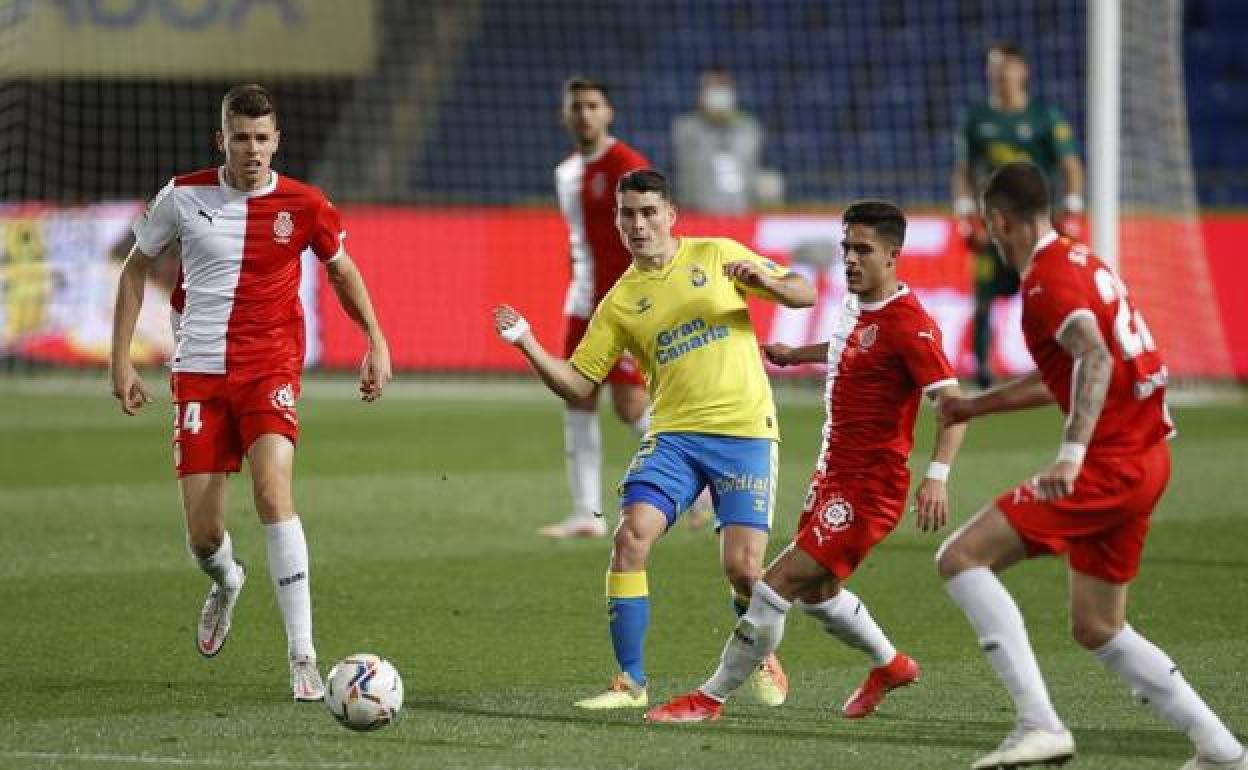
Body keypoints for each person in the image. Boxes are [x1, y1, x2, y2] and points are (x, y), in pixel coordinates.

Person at [935, 162, 1246, 770]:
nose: (988, 237)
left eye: (988, 226)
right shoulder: (1081, 259)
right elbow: (1066, 375)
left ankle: (1038, 723)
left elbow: (1094, 358)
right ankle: (1221, 750)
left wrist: (1071, 455)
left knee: (960, 558)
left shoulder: (1047, 282)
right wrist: (975, 405)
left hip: (1109, 465)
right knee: (1098, 626)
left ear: (1000, 221)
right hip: (1150, 455)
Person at [109, 84, 392, 701]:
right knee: (204, 538)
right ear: (223, 141)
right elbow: (136, 266)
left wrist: (374, 338)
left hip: (271, 369)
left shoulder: (306, 204)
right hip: (200, 376)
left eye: (263, 138)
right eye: (241, 137)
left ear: (276, 142)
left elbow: (341, 269)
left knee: (272, 492)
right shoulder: (182, 197)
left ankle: (303, 656)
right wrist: (122, 359)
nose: (253, 150)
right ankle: (227, 579)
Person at [493, 168, 815, 710]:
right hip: (673, 437)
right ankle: (631, 681)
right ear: (618, 222)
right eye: (627, 214)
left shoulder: (717, 254)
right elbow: (577, 384)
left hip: (743, 432)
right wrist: (527, 342)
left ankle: (762, 654)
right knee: (630, 537)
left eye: (647, 212)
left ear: (670, 215)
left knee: (742, 568)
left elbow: (803, 293)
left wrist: (769, 284)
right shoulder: (620, 302)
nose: (638, 224)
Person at [645, 200, 967, 724]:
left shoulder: (913, 325)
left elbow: (953, 405)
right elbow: (852, 346)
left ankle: (709, 698)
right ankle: (890, 665)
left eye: (863, 249)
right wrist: (799, 355)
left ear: (893, 256)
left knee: (773, 586)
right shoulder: (857, 304)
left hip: (869, 489)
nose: (850, 259)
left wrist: (937, 479)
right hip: (832, 475)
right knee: (819, 593)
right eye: (846, 247)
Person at [544, 77, 653, 539]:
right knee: (577, 397)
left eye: (593, 105)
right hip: (583, 302)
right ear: (564, 116)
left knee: (631, 406)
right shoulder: (565, 173)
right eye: (577, 106)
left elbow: (655, 233)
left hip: (627, 302)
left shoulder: (628, 166)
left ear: (608, 113)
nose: (585, 114)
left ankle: (701, 482)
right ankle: (586, 514)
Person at [952, 41, 1085, 389]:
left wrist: (1072, 208)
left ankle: (1068, 361)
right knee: (982, 300)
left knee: (1051, 293)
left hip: (1037, 226)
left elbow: (1070, 164)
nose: (1000, 74)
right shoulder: (976, 119)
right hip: (993, 227)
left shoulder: (1045, 117)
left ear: (1022, 71)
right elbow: (964, 170)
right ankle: (982, 372)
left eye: (1007, 66)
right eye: (994, 67)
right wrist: (966, 214)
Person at [671, 68, 763, 215]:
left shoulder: (749, 126)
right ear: (701, 93)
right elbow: (685, 169)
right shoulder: (686, 126)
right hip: (699, 214)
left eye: (723, 87)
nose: (718, 92)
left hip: (741, 214)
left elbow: (752, 167)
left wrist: (729, 120)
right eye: (712, 87)